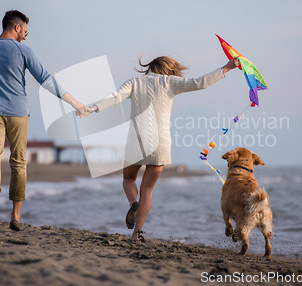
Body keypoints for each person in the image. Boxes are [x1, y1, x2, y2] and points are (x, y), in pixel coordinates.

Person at [0, 10, 87, 232]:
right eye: (25, 30)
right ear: (17, 27)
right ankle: (15, 216)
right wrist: (75, 103)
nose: (26, 35)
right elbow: (46, 79)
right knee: (19, 162)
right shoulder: (23, 50)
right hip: (17, 113)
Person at [80, 55, 239, 242]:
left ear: (152, 67)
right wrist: (227, 67)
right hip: (160, 145)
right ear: (169, 69)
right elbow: (200, 83)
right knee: (147, 189)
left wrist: (92, 108)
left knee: (128, 178)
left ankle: (133, 202)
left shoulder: (134, 82)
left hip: (136, 143)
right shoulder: (170, 82)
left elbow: (115, 97)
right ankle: (137, 234)